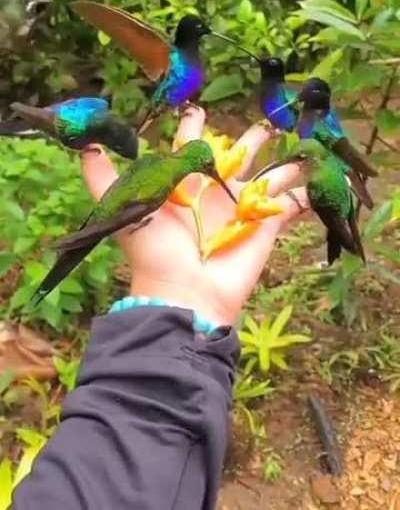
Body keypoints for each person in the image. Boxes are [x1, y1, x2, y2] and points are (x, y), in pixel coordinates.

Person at [11, 107, 308, 510]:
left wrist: (178, 289)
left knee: (73, 255)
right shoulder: (164, 179)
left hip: (137, 232)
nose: (211, 173)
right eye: (207, 169)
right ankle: (47, 283)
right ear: (196, 166)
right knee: (74, 254)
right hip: (123, 212)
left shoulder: (159, 164)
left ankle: (49, 282)